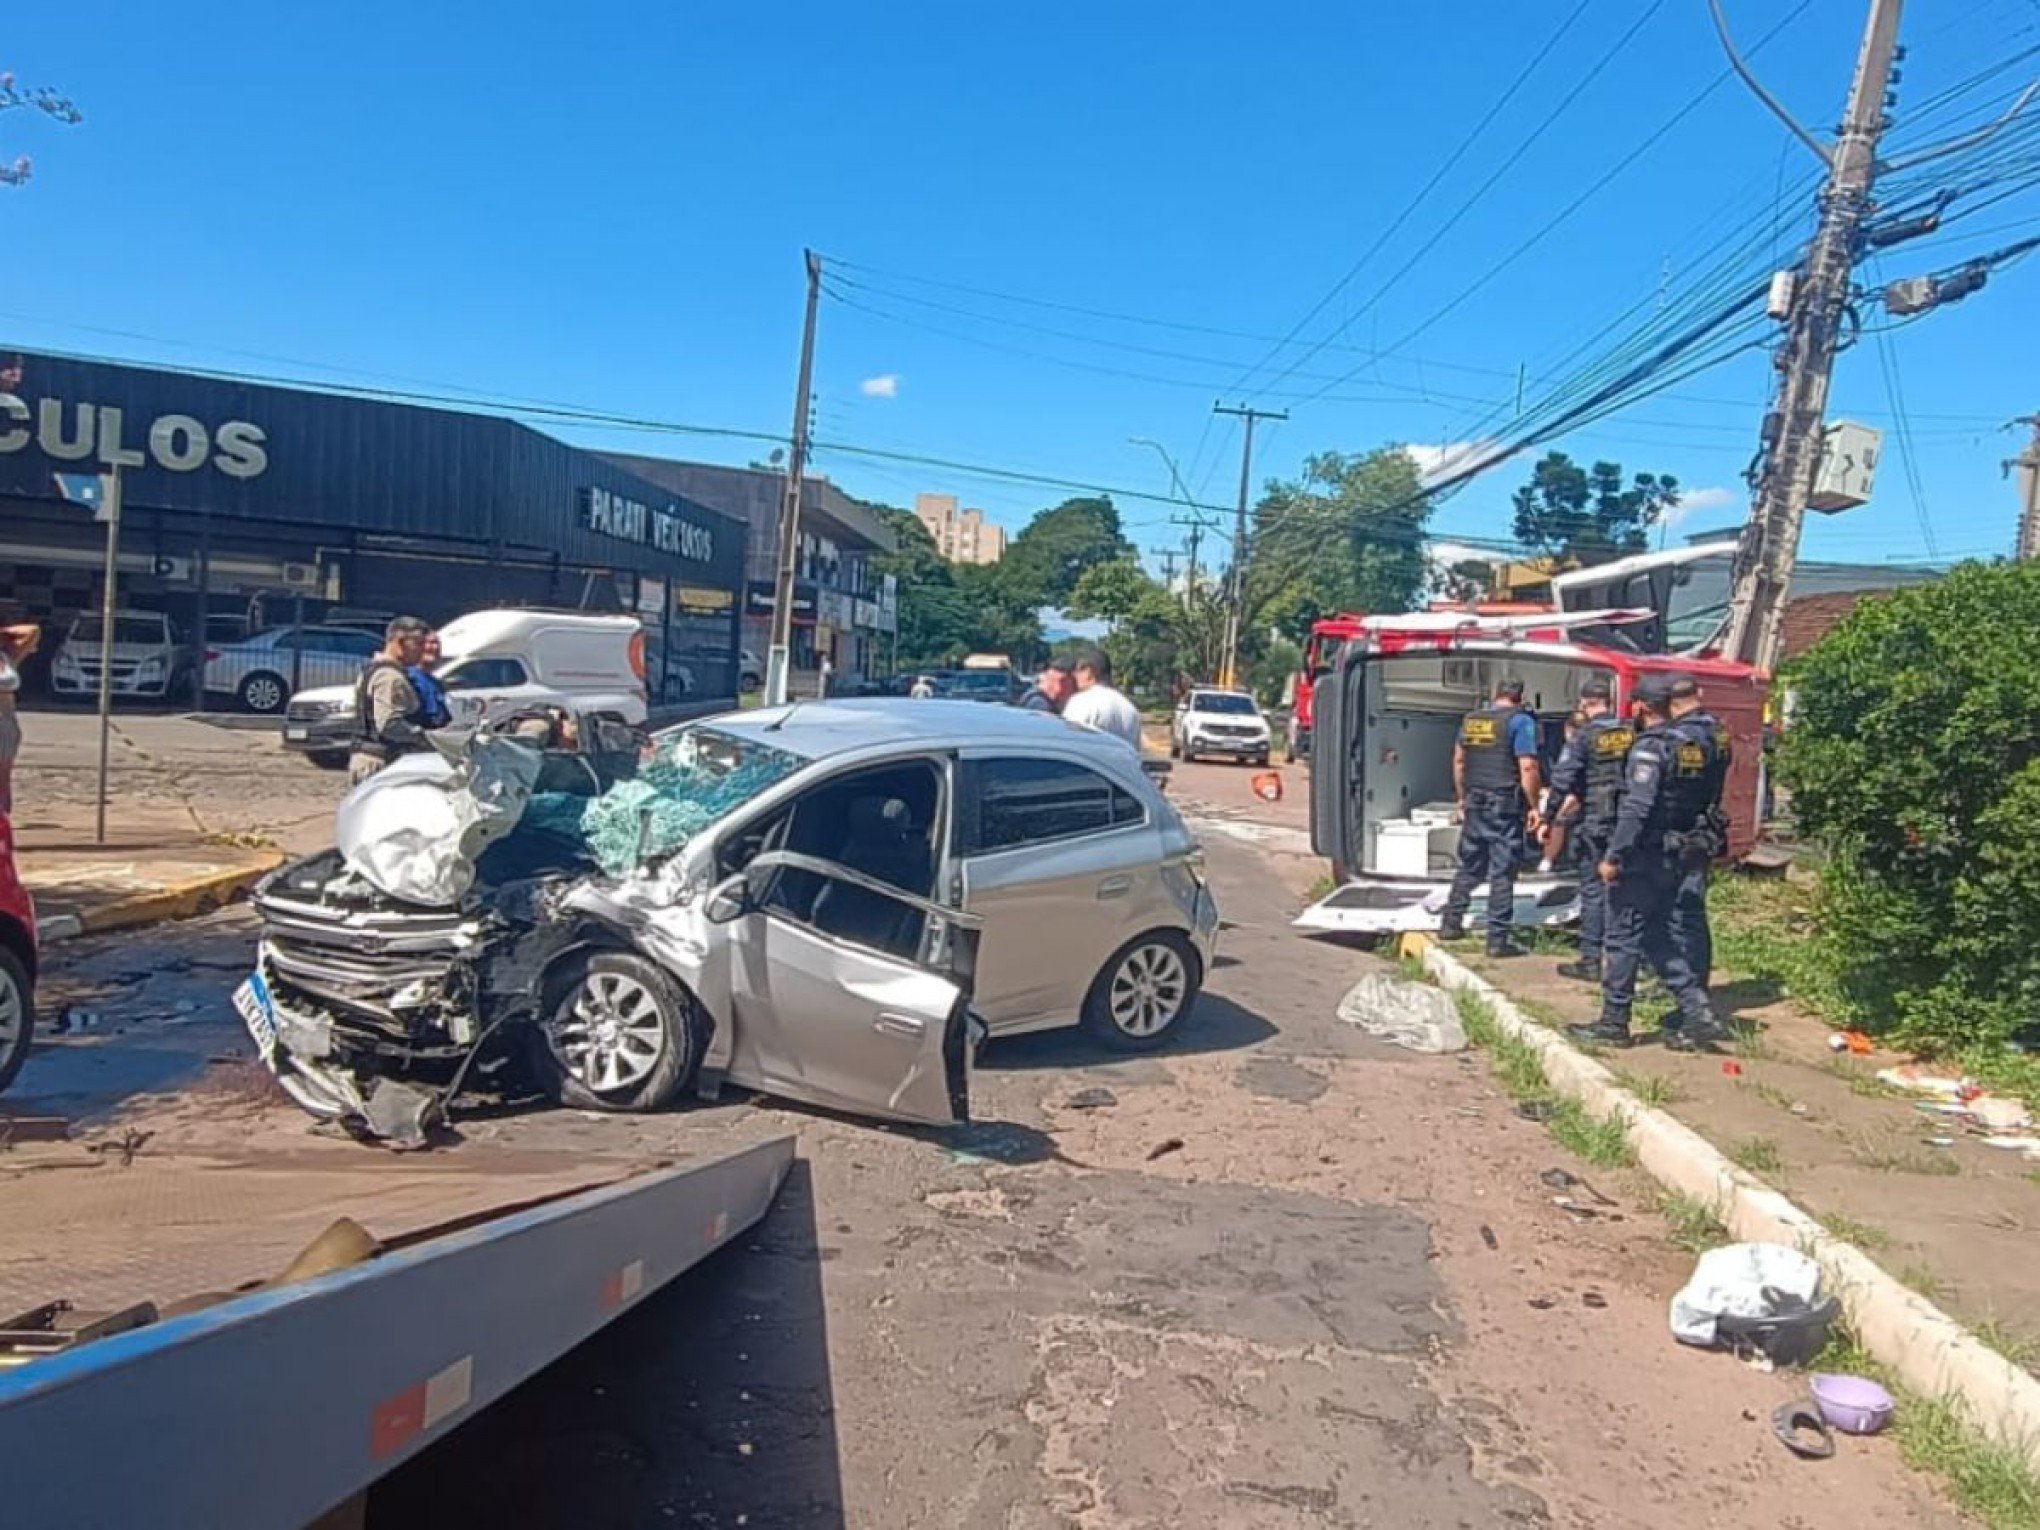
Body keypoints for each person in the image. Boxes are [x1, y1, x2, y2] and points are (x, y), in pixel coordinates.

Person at [1568, 676, 1729, 1052]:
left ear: (1641, 706)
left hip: (1644, 855)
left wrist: (1614, 855)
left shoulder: (1651, 749)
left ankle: (1614, 1022)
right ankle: (1697, 1011)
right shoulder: (1699, 744)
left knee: (1622, 937)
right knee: (1657, 936)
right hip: (1679, 852)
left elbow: (1637, 808)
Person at [1539, 677, 1635, 982]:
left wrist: (1548, 815)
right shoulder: (1632, 732)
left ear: (1585, 702)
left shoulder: (1584, 736)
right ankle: (1631, 962)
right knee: (1629, 890)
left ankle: (1591, 960)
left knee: (1594, 891)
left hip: (1596, 820)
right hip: (1629, 822)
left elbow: (1563, 778)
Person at [1439, 678, 1543, 957]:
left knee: (1469, 865)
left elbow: (1459, 761)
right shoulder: (1520, 722)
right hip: (1504, 806)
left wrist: (1461, 797)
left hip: (1475, 801)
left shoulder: (1471, 720)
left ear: (1496, 695)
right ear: (1520, 698)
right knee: (1502, 872)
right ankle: (1497, 940)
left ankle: (1450, 922)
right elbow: (1528, 766)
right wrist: (1535, 807)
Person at [1667, 675, 1731, 988]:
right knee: (1692, 911)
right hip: (1706, 829)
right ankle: (1693, 981)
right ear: (1700, 693)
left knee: (1681, 912)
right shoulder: (1718, 731)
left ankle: (1688, 986)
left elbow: (1677, 791)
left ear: (1670, 703)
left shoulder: (1680, 737)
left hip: (1682, 833)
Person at [349, 616, 435, 783]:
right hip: (382, 762)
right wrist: (426, 737)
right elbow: (388, 723)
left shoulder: (373, 670)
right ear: (400, 642)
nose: (422, 650)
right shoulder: (390, 677)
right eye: (418, 644)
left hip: (370, 758)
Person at [1061, 649, 1143, 753]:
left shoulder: (1081, 702)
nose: (1074, 675)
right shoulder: (1129, 707)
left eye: (1077, 670)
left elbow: (1067, 744)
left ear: (1090, 672)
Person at [0, 621, 40, 817]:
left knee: (3, 780)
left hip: (6, 722)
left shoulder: (7, 658)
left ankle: (3, 827)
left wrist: (5, 632)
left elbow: (33, 631)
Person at [408, 632, 454, 730]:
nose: (435, 647)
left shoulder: (437, 683)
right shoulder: (408, 678)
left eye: (437, 643)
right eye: (429, 643)